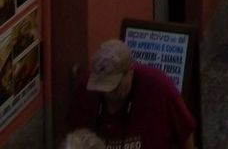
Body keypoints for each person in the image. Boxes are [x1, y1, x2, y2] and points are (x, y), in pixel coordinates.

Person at [67, 38, 196, 149]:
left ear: (130, 71)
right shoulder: (85, 90)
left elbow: (185, 133)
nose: (108, 92)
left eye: (114, 84)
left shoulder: (159, 87)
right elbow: (73, 138)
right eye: (102, 85)